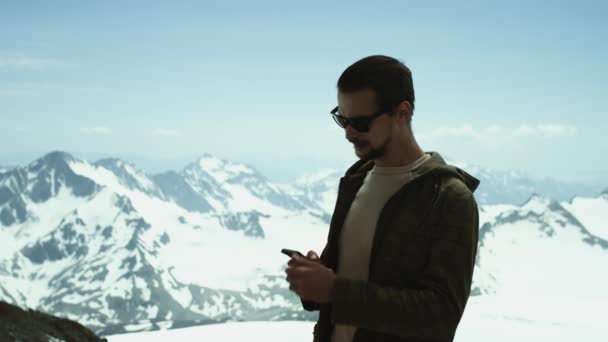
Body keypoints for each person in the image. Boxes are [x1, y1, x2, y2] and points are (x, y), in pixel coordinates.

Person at [285, 55, 480, 342]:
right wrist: (317, 278)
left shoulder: (450, 199)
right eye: (343, 119)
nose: (349, 133)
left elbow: (441, 315)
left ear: (402, 112)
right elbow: (350, 279)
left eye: (361, 123)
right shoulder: (356, 180)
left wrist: (334, 290)